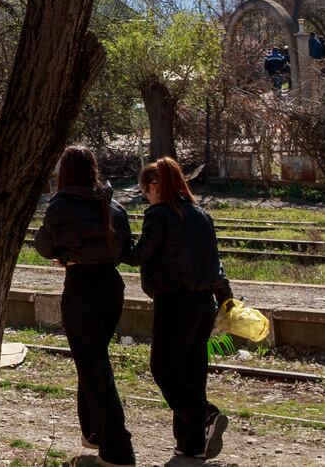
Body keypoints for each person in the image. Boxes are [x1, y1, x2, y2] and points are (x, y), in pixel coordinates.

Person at [124, 157, 233, 461]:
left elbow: (138, 255)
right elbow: (216, 262)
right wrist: (227, 297)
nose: (145, 195)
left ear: (155, 186)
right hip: (203, 304)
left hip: (174, 301)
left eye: (145, 190)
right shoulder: (202, 215)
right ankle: (192, 446)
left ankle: (206, 416)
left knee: (164, 368)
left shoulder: (159, 215)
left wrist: (116, 243)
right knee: (192, 372)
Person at [34, 146, 136, 467]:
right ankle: (93, 432)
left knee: (94, 368)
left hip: (81, 289)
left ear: (65, 172)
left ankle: (119, 449)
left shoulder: (61, 205)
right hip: (111, 287)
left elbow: (42, 244)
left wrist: (66, 253)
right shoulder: (113, 205)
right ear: (93, 169)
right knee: (93, 362)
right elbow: (125, 247)